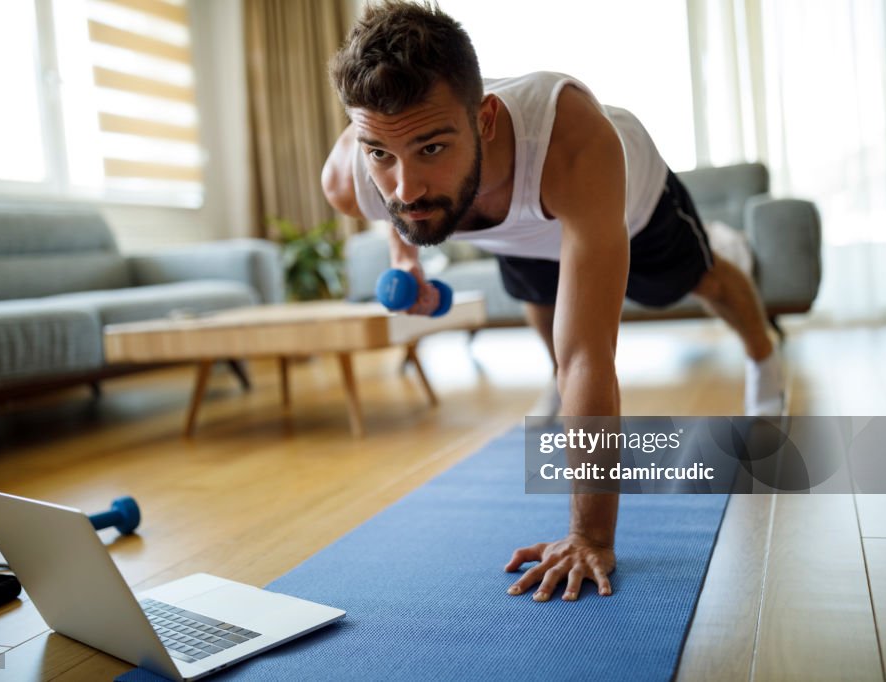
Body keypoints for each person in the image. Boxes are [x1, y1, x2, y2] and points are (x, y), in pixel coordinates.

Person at [321, 1, 784, 602]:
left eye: (432, 148)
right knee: (539, 297)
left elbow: (590, 355)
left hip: (624, 206)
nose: (404, 187)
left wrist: (589, 535)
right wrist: (405, 259)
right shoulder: (355, 176)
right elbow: (399, 199)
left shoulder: (573, 141)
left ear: (485, 119)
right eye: (381, 155)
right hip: (506, 220)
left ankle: (764, 357)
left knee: (698, 282)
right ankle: (551, 363)